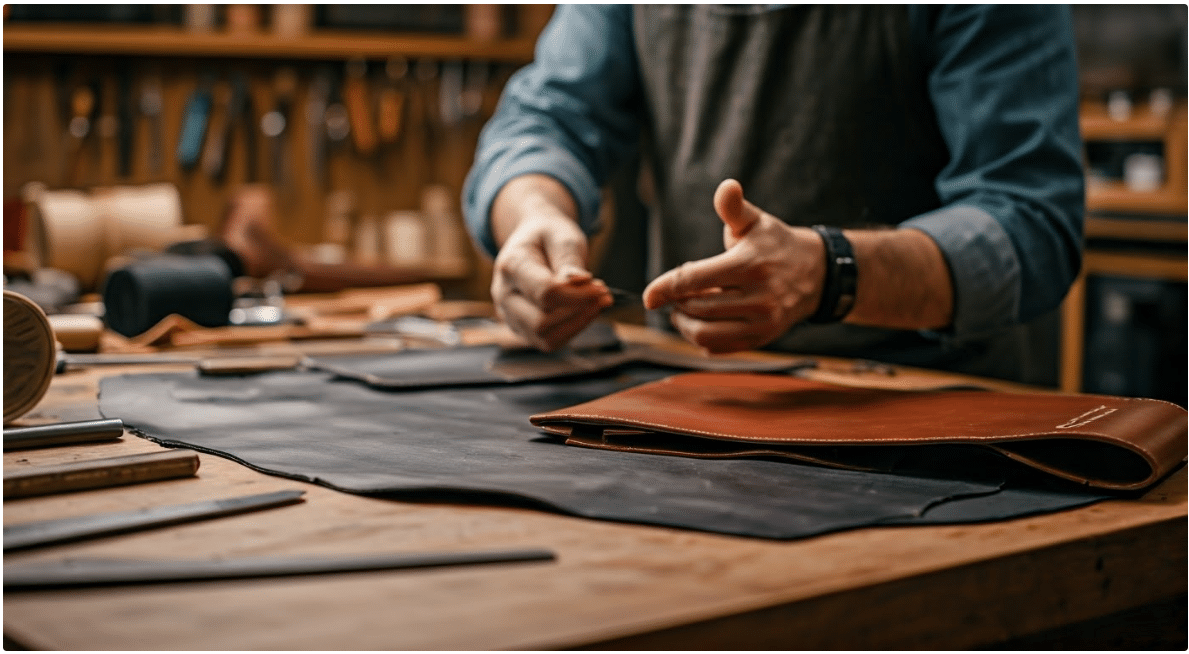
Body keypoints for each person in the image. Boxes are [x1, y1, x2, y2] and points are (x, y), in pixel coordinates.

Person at [462, 5, 1084, 383]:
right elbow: (545, 123)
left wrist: (831, 272)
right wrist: (532, 214)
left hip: (931, 422)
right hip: (695, 401)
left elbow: (1030, 222)